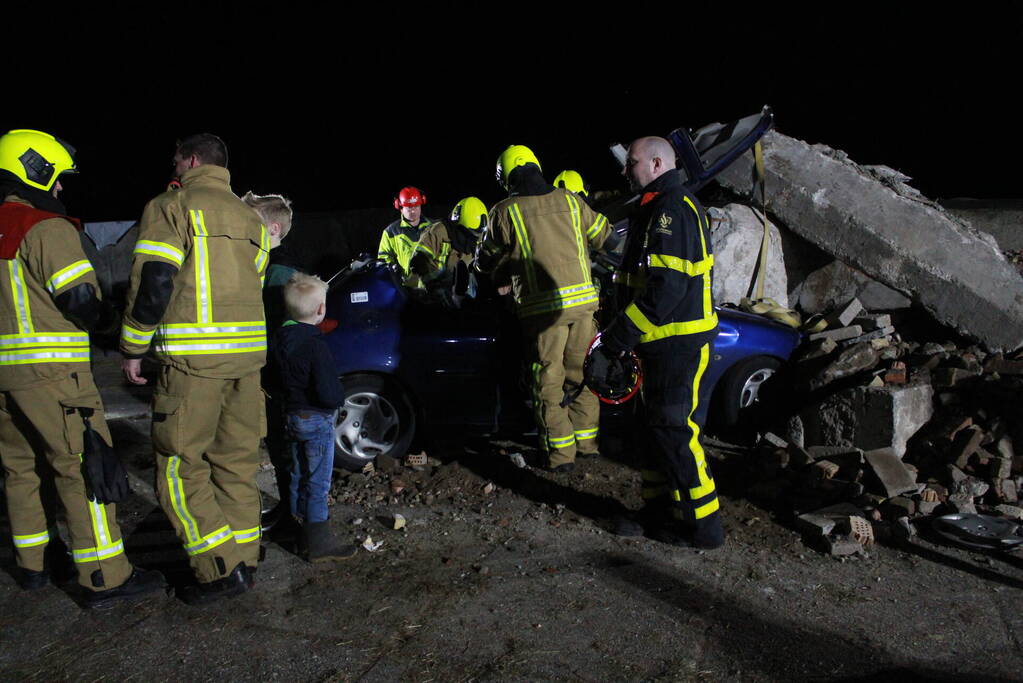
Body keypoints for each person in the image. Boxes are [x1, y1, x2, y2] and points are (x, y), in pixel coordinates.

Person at [0, 128, 165, 606]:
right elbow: (79, 300)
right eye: (58, 179)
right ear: (37, 169)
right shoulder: (46, 229)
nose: (60, 190)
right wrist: (115, 325)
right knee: (84, 468)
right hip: (54, 377)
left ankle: (33, 567)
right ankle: (105, 577)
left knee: (19, 469)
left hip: (4, 378)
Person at [120, 133, 271, 604]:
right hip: (247, 364)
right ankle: (243, 558)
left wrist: (132, 345)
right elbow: (256, 282)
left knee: (179, 468)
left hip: (193, 364)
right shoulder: (252, 217)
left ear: (190, 160)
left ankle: (218, 570)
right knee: (237, 464)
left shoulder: (172, 204)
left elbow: (155, 279)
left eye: (177, 161)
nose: (176, 168)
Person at [598, 136, 724, 549]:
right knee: (652, 432)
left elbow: (666, 290)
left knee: (674, 431)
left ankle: (703, 527)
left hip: (678, 347)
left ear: (655, 163)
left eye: (631, 163)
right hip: (657, 346)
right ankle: (658, 512)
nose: (624, 170)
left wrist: (617, 337)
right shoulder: (656, 206)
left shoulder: (672, 209)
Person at [478, 145, 616, 472]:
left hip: (544, 313)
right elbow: (607, 239)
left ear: (505, 177)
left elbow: (484, 261)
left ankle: (560, 457)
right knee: (582, 375)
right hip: (584, 306)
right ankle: (588, 446)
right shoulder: (571, 200)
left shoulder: (504, 211)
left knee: (548, 384)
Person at [273, 273, 357, 561]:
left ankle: (298, 531)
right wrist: (338, 399)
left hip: (292, 417)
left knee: (298, 472)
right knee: (318, 480)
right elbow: (327, 390)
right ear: (321, 310)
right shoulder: (316, 345)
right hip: (317, 419)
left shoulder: (281, 338)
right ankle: (319, 542)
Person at [240, 191, 299, 530]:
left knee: (285, 446)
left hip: (277, 375)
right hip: (271, 374)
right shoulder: (269, 267)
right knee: (279, 446)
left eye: (254, 224)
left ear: (273, 228)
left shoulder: (279, 273)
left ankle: (294, 516)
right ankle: (289, 511)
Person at [409, 196, 487, 299]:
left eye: (477, 235)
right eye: (469, 234)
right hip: (429, 296)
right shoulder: (438, 232)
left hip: (458, 298)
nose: (473, 239)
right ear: (457, 225)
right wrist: (435, 285)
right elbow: (418, 261)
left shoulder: (476, 241)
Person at [376, 186, 439, 283]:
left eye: (416, 206)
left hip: (435, 285)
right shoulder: (391, 232)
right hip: (407, 288)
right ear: (400, 207)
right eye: (409, 207)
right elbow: (383, 258)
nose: (413, 211)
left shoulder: (435, 227)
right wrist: (393, 270)